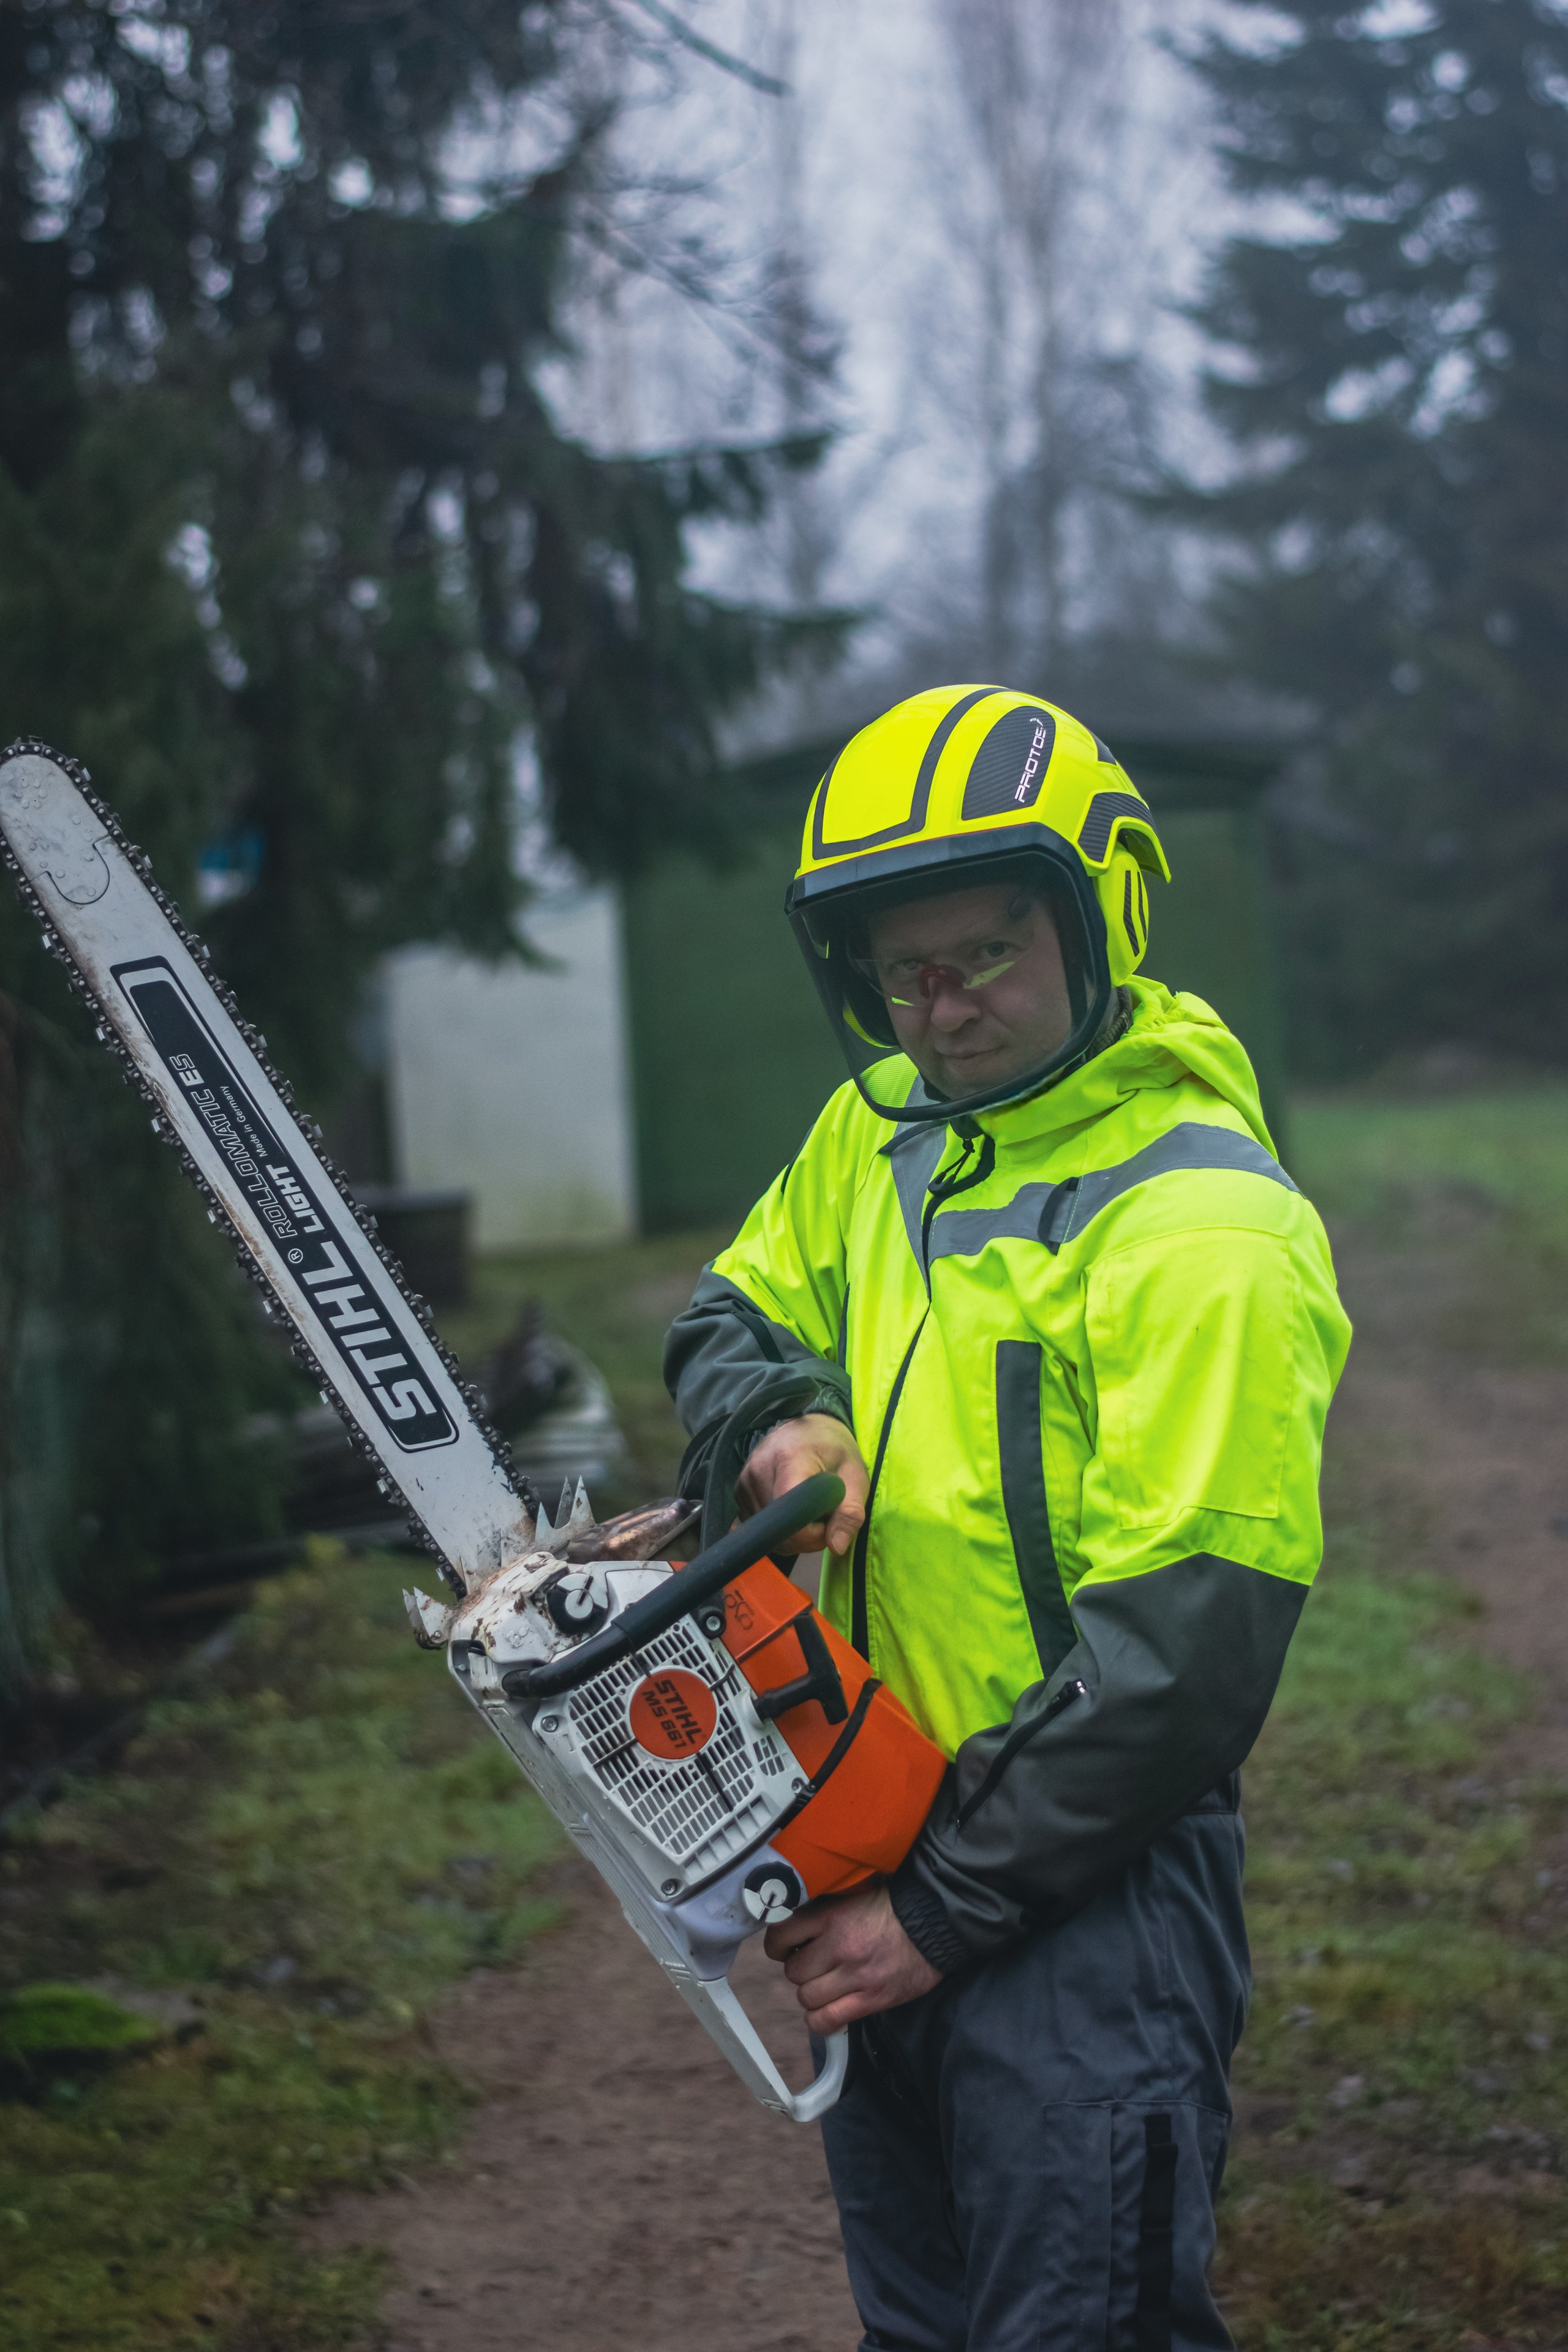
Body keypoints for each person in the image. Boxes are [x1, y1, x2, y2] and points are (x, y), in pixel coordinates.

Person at [664, 684, 1351, 2352]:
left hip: (1082, 1899)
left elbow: (1185, 1660)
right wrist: (778, 1416)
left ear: (1094, 911)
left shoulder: (1203, 1228)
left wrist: (938, 1915)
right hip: (868, 1831)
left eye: (982, 956)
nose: (943, 1008)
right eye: (904, 972)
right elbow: (726, 1317)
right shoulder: (877, 1134)